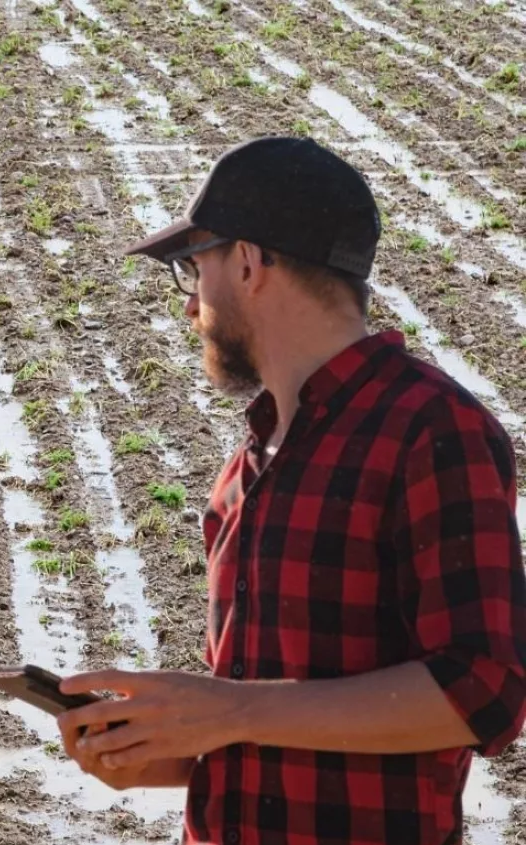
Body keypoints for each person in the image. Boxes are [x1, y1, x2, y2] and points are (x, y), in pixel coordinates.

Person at [56, 136, 526, 845]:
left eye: (194, 270)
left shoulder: (432, 429)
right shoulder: (251, 462)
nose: (191, 307)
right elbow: (275, 720)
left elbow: (481, 691)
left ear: (248, 261)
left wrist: (230, 709)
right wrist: (164, 750)